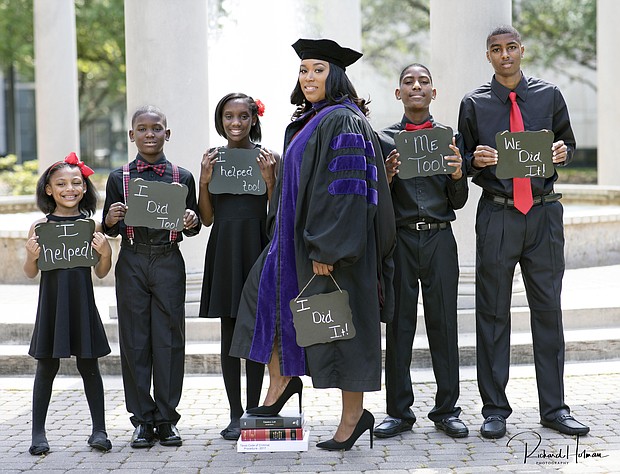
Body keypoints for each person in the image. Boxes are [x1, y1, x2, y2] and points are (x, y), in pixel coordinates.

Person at [230, 38, 396, 451]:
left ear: (335, 76)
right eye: (304, 70)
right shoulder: (311, 120)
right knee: (261, 303)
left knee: (342, 328)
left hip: (332, 252)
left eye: (318, 70)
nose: (308, 77)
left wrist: (329, 249)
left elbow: (348, 192)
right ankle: (282, 381)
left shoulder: (343, 121)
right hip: (292, 247)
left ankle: (354, 418)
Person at [457, 25, 589, 438]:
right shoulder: (474, 104)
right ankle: (494, 409)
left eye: (511, 47)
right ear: (489, 56)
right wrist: (475, 160)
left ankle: (555, 408)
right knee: (492, 313)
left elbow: (567, 144)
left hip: (544, 215)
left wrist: (564, 152)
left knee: (548, 311)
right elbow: (460, 159)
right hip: (498, 215)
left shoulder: (549, 96)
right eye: (496, 49)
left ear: (522, 50)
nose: (505, 55)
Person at [374, 64, 469, 440]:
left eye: (424, 81)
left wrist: (459, 174)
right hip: (400, 241)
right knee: (399, 326)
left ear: (433, 92)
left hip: (439, 239)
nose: (417, 86)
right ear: (398, 93)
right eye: (409, 82)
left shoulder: (448, 139)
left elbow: (458, 202)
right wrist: (387, 176)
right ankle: (398, 411)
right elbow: (376, 201)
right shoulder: (384, 140)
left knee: (444, 324)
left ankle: (447, 410)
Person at [102, 105, 201, 448]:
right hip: (132, 259)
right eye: (142, 129)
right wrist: (112, 217)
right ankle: (142, 419)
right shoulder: (119, 178)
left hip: (168, 260)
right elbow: (108, 228)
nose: (149, 134)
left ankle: (167, 418)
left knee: (170, 338)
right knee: (134, 340)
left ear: (166, 134)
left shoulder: (182, 176)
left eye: (156, 128)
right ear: (132, 135)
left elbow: (194, 225)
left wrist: (191, 220)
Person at [198, 93, 279, 440]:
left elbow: (277, 213)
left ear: (253, 119)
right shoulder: (214, 159)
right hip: (224, 248)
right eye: (229, 117)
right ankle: (233, 414)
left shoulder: (269, 157)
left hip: (256, 247)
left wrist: (271, 180)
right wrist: (203, 180)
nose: (235, 123)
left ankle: (253, 411)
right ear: (220, 120)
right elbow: (205, 217)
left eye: (243, 116)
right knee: (229, 332)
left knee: (255, 331)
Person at [24, 152, 113, 455]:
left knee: (90, 366)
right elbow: (30, 272)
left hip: (81, 303)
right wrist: (30, 256)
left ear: (85, 188)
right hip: (52, 305)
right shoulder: (40, 227)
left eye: (76, 182)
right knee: (45, 367)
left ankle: (99, 430)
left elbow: (101, 273)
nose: (69, 188)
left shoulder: (91, 227)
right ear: (49, 189)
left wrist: (106, 254)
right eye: (61, 183)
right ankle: (38, 433)